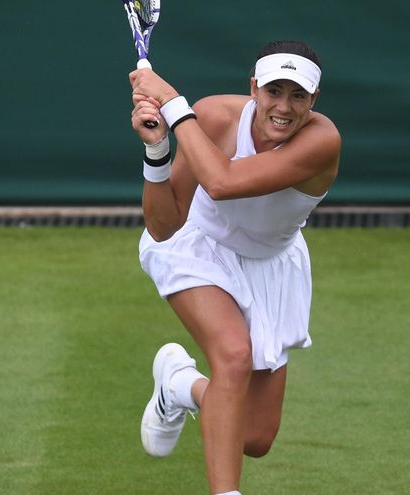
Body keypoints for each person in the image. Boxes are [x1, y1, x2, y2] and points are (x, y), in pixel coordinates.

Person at [128, 40, 341, 495]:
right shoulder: (215, 116)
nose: (283, 107)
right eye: (273, 91)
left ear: (313, 102)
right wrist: (158, 151)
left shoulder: (323, 141)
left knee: (253, 438)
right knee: (233, 355)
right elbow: (164, 227)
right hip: (200, 248)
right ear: (254, 89)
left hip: (271, 265)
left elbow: (223, 182)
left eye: (297, 95)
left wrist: (172, 104)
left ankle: (180, 385)